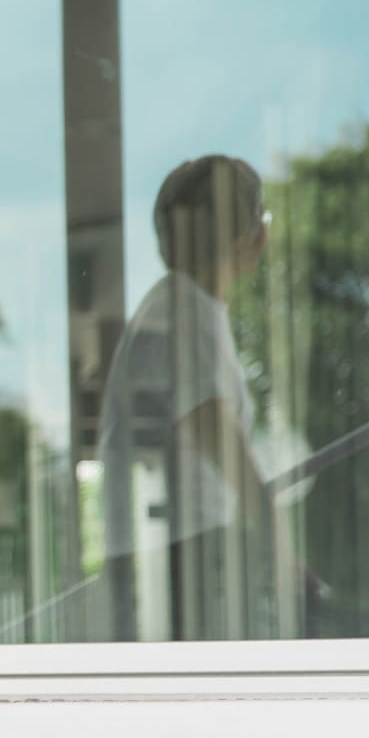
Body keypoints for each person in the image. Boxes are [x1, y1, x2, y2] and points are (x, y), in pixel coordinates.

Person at [95, 153, 283, 641]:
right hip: (184, 549)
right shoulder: (181, 312)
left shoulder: (188, 308)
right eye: (261, 216)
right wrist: (276, 534)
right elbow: (213, 428)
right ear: (249, 235)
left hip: (183, 545)